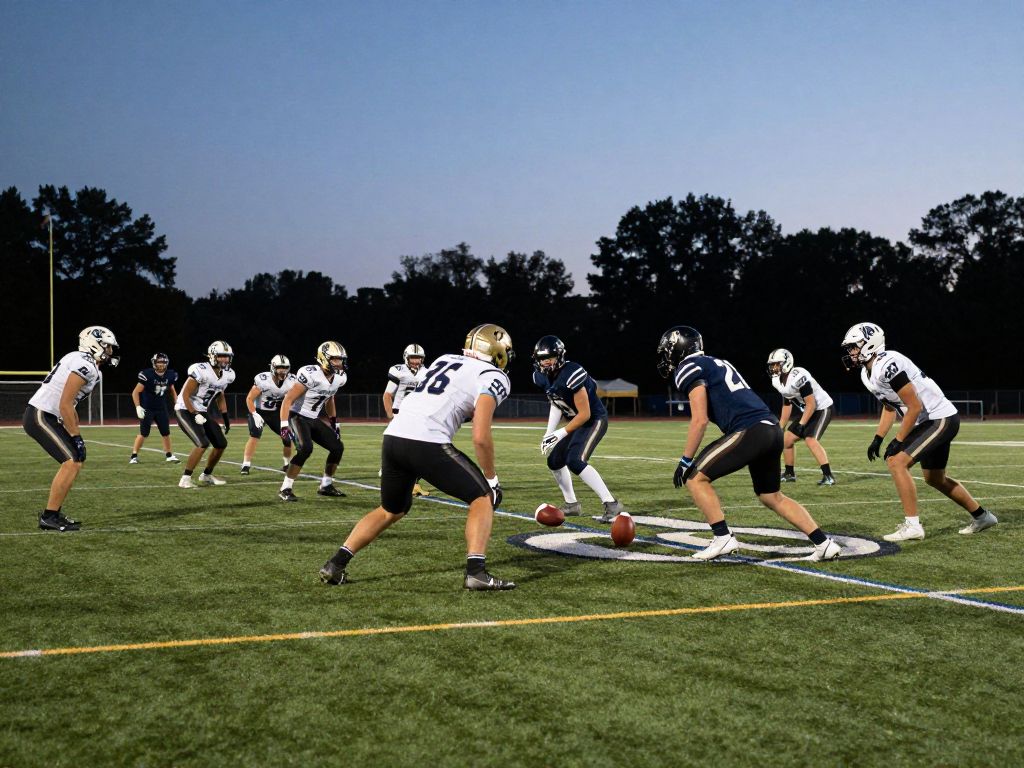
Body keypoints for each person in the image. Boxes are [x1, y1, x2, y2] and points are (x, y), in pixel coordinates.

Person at [319, 323, 516, 591]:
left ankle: (336, 563)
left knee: (391, 509)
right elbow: (480, 435)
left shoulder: (445, 359)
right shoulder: (493, 374)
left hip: (393, 437)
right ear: (498, 352)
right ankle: (476, 572)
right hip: (427, 440)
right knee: (482, 498)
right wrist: (492, 479)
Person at [657, 325, 841, 562]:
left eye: (668, 351)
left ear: (679, 349)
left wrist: (685, 460)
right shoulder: (717, 362)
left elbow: (700, 420)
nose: (667, 357)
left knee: (695, 477)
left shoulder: (687, 367)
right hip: (771, 429)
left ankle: (722, 537)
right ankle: (823, 543)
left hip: (750, 429)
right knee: (771, 496)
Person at [841, 322, 997, 541]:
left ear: (870, 344)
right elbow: (889, 406)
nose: (851, 353)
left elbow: (914, 406)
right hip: (930, 419)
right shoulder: (867, 374)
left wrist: (898, 440)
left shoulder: (887, 363)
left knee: (896, 461)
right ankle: (983, 517)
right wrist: (878, 437)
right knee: (935, 478)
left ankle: (913, 526)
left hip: (939, 417)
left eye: (854, 347)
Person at [23, 326, 120, 531]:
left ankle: (53, 514)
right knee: (71, 461)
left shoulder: (82, 361)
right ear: (95, 344)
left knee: (75, 461)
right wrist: (75, 436)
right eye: (107, 347)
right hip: (41, 414)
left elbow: (71, 406)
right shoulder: (85, 363)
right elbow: (65, 404)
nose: (110, 352)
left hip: (48, 415)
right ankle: (49, 517)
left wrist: (77, 433)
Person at [531, 334, 626, 522]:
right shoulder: (541, 377)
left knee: (575, 460)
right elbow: (556, 402)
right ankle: (571, 504)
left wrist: (559, 434)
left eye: (549, 358)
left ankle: (611, 503)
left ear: (559, 357)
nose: (545, 363)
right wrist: (549, 433)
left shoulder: (572, 372)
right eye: (542, 360)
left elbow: (585, 414)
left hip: (593, 420)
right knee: (555, 461)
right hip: (576, 422)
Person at [277, 341, 349, 501]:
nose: (340, 363)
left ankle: (326, 485)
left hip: (313, 418)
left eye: (341, 359)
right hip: (297, 416)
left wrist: (334, 423)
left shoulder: (339, 377)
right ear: (324, 358)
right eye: (335, 359)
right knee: (305, 449)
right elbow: (287, 400)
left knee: (337, 447)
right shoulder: (310, 374)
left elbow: (329, 399)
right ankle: (285, 488)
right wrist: (283, 425)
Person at [766, 348, 836, 486]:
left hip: (822, 408)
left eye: (776, 364)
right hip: (809, 409)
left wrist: (802, 424)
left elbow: (811, 403)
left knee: (810, 439)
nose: (773, 368)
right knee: (786, 440)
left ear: (786, 363)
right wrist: (781, 425)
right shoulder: (777, 381)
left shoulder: (798, 375)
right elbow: (787, 404)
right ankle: (789, 473)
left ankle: (828, 476)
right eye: (772, 365)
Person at [174, 341, 236, 489]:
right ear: (212, 355)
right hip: (185, 409)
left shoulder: (228, 374)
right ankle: (185, 478)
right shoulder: (200, 370)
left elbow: (220, 395)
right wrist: (194, 413)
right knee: (202, 443)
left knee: (221, 444)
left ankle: (206, 475)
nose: (225, 360)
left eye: (227, 357)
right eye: (221, 356)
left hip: (202, 411)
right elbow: (185, 395)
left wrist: (226, 417)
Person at [382, 343, 429, 496]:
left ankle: (408, 481)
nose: (416, 361)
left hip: (417, 415)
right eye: (413, 357)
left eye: (418, 358)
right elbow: (387, 395)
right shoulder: (398, 371)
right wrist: (391, 416)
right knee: (409, 449)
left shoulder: (427, 373)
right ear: (406, 358)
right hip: (399, 413)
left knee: (419, 448)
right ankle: (406, 481)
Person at [240, 354, 296, 475]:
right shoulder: (263, 379)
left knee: (286, 437)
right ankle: (245, 464)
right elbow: (249, 398)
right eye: (280, 367)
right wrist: (254, 414)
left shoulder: (292, 381)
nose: (283, 371)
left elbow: (294, 399)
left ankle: (287, 464)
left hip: (276, 413)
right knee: (255, 434)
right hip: (259, 411)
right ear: (273, 367)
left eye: (285, 368)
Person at [129, 352, 180, 464]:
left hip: (161, 408)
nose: (161, 364)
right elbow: (135, 392)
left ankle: (169, 455)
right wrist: (138, 407)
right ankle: (134, 455)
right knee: (144, 433)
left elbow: (172, 390)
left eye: (163, 362)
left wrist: (177, 403)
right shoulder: (147, 374)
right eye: (158, 362)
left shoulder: (171, 375)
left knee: (166, 432)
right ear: (154, 363)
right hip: (148, 408)